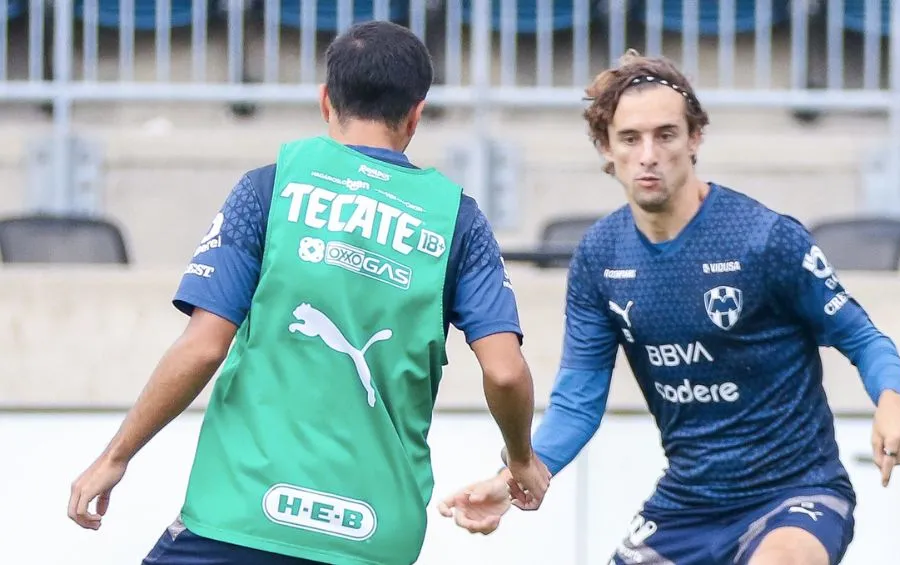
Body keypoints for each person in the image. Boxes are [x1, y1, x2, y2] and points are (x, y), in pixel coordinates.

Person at [66, 20, 550, 565]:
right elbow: (505, 371)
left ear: (325, 100)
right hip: (373, 535)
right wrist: (520, 457)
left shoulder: (269, 190)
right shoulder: (459, 221)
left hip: (241, 516)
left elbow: (203, 345)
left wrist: (117, 455)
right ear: (416, 113)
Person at [437, 49, 900, 565]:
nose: (648, 154)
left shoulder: (765, 239)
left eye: (665, 135)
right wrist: (519, 475)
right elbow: (579, 397)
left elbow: (862, 337)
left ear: (695, 139)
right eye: (630, 138)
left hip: (797, 493)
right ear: (606, 149)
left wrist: (893, 399)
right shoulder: (600, 257)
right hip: (688, 504)